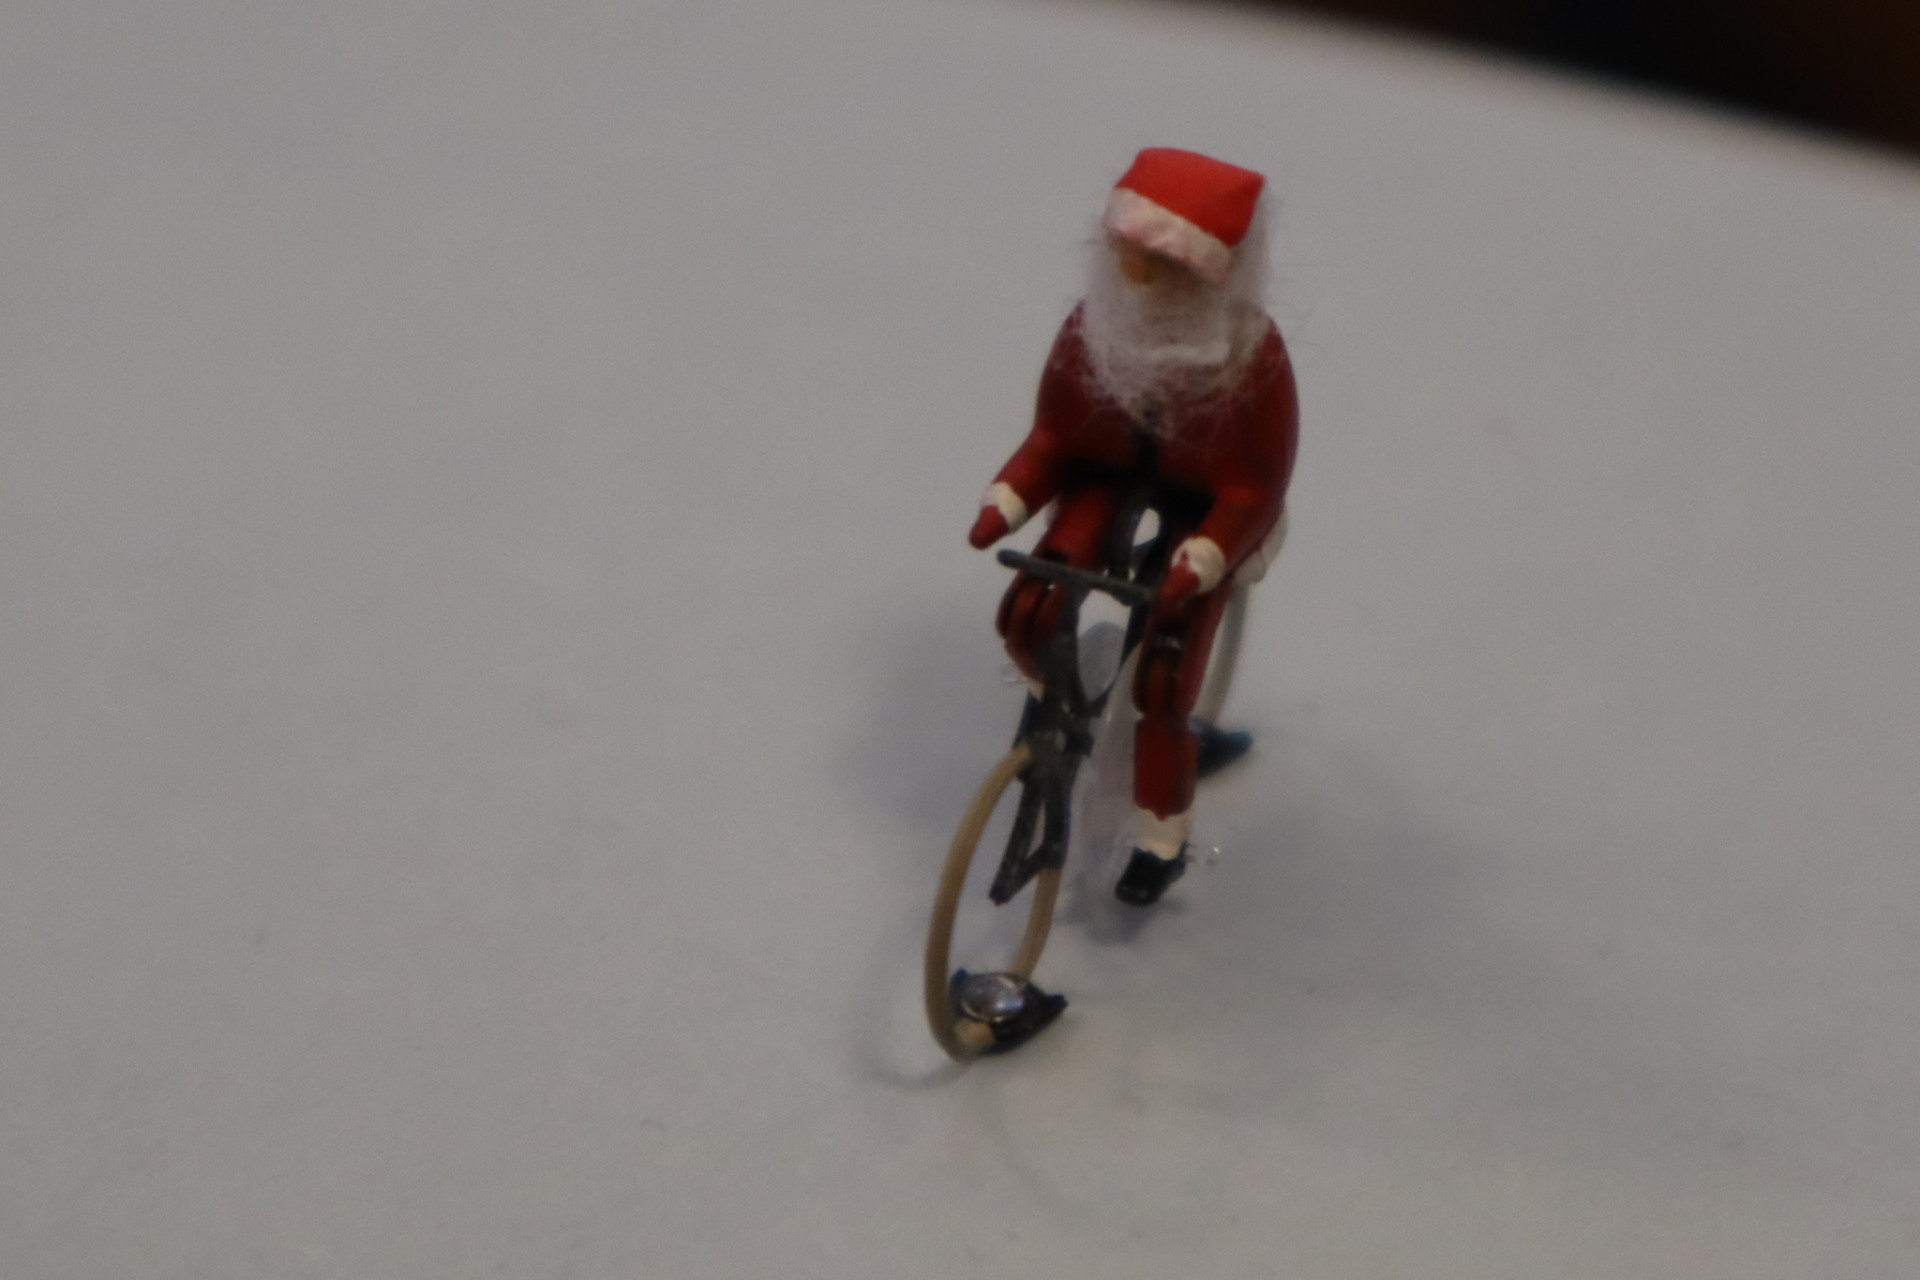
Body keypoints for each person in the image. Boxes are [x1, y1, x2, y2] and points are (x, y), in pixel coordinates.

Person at [967, 147, 1299, 907]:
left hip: (1212, 507)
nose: (1138, 275)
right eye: (1128, 251)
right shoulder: (1094, 328)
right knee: (1033, 602)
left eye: (1165, 263)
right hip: (1105, 474)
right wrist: (1007, 500)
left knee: (1164, 674)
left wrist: (1207, 555)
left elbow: (1256, 483)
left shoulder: (1249, 359)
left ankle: (1160, 834)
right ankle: (1062, 698)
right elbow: (1055, 436)